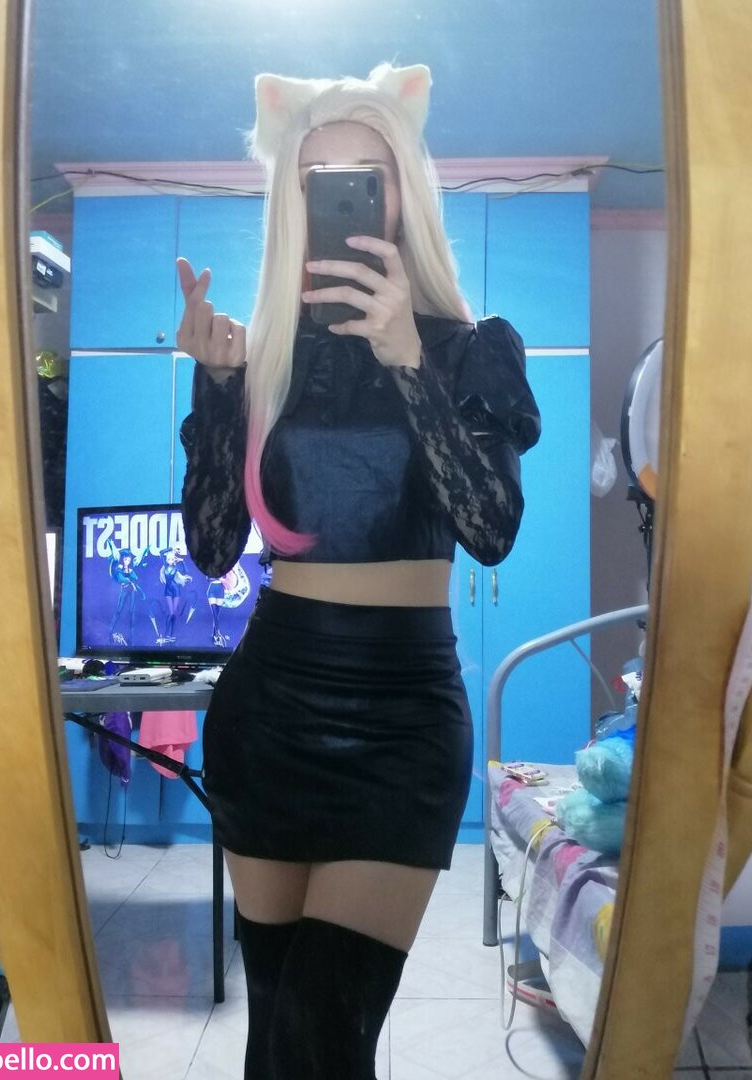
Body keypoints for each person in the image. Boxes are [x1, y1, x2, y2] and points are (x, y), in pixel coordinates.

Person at [177, 62, 541, 1080]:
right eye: (320, 179)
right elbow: (212, 550)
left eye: (366, 178)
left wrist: (406, 359)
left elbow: (491, 529)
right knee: (275, 1033)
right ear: (293, 202)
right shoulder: (266, 359)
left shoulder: (473, 350)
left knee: (322, 1041)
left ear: (403, 194)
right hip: (269, 708)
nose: (343, 198)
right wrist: (218, 389)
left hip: (403, 725)